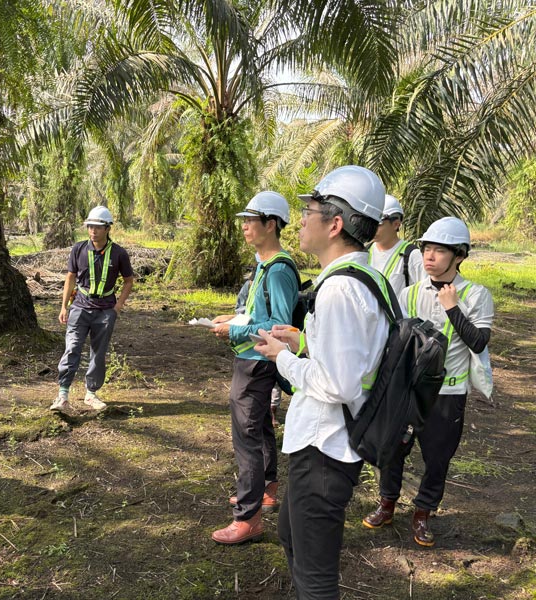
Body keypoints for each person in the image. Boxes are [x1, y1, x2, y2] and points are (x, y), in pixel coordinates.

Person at [254, 165, 389, 599]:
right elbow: (354, 355)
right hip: (321, 443)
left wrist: (285, 358)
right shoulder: (364, 279)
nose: (302, 219)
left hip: (327, 448)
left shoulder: (339, 291)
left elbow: (340, 384)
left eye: (309, 210)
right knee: (291, 536)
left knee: (316, 580)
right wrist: (305, 340)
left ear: (334, 224)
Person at [363, 217, 493, 546]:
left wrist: (452, 309)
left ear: (459, 255)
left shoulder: (476, 295)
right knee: (392, 448)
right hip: (408, 390)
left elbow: (478, 342)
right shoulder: (409, 294)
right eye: (426, 249)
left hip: (448, 393)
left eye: (439, 250)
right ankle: (387, 502)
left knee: (437, 457)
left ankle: (423, 512)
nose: (429, 256)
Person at [209, 192, 299, 545]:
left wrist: (234, 330)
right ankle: (266, 490)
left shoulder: (278, 270)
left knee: (246, 438)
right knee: (259, 428)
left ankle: (248, 519)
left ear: (271, 224)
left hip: (258, 363)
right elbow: (259, 312)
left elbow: (278, 325)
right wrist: (233, 317)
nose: (244, 226)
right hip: (254, 360)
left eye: (251, 220)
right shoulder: (263, 264)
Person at [50, 206, 134, 412]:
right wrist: (64, 307)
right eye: (90, 227)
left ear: (107, 228)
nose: (93, 231)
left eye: (97, 227)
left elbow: (129, 281)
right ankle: (62, 395)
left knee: (98, 352)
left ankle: (91, 394)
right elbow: (70, 278)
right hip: (80, 307)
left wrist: (118, 306)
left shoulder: (118, 253)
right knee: (72, 348)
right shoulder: (79, 249)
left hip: (106, 310)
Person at [368, 195, 426, 299]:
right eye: (370, 222)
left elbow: (426, 294)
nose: (372, 227)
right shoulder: (364, 252)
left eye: (378, 224)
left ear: (396, 224)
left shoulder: (412, 255)